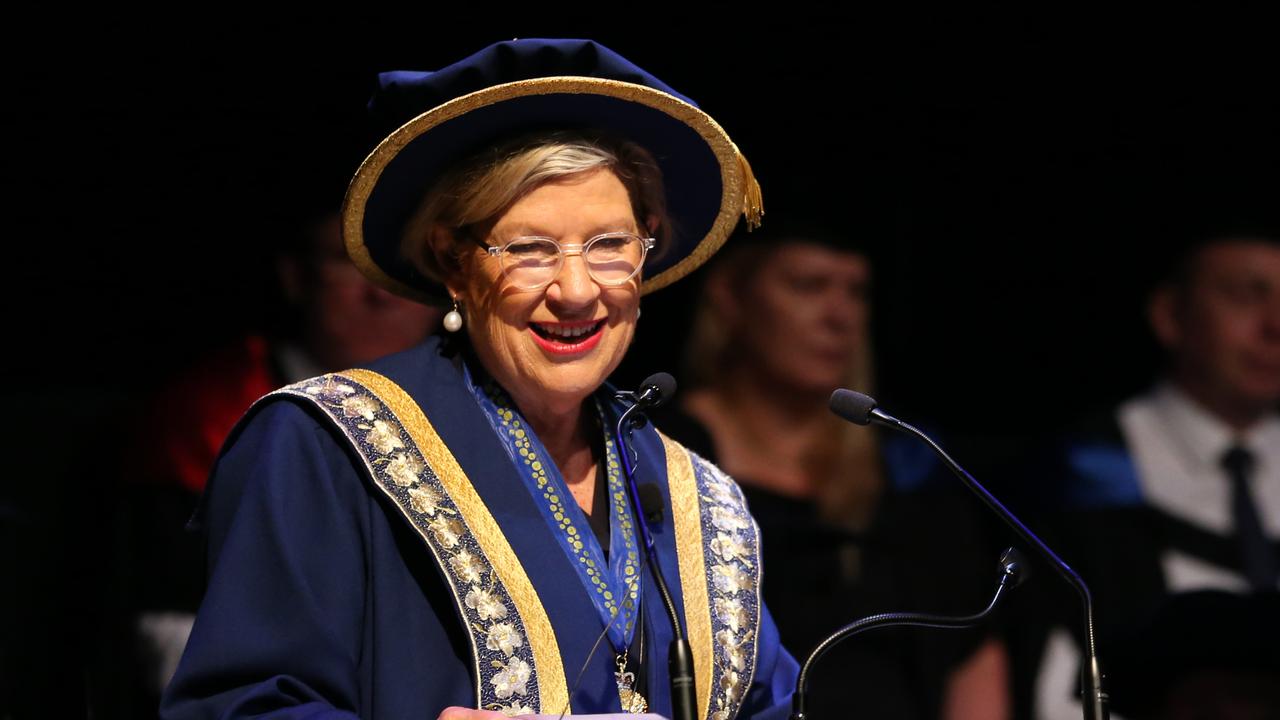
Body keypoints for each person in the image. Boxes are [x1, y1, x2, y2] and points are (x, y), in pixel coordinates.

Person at [160, 39, 798, 720]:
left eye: (610, 246)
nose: (577, 291)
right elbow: (238, 707)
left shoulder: (696, 496)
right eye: (528, 250)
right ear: (454, 263)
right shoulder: (325, 445)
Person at [656, 224, 1011, 720]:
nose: (840, 316)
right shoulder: (663, 456)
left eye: (857, 292)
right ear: (731, 296)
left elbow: (971, 654)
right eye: (808, 286)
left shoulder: (908, 465)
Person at [1026, 226, 1280, 719]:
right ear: (1169, 316)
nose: (1275, 325)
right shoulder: (1077, 478)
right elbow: (1055, 690)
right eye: (1246, 295)